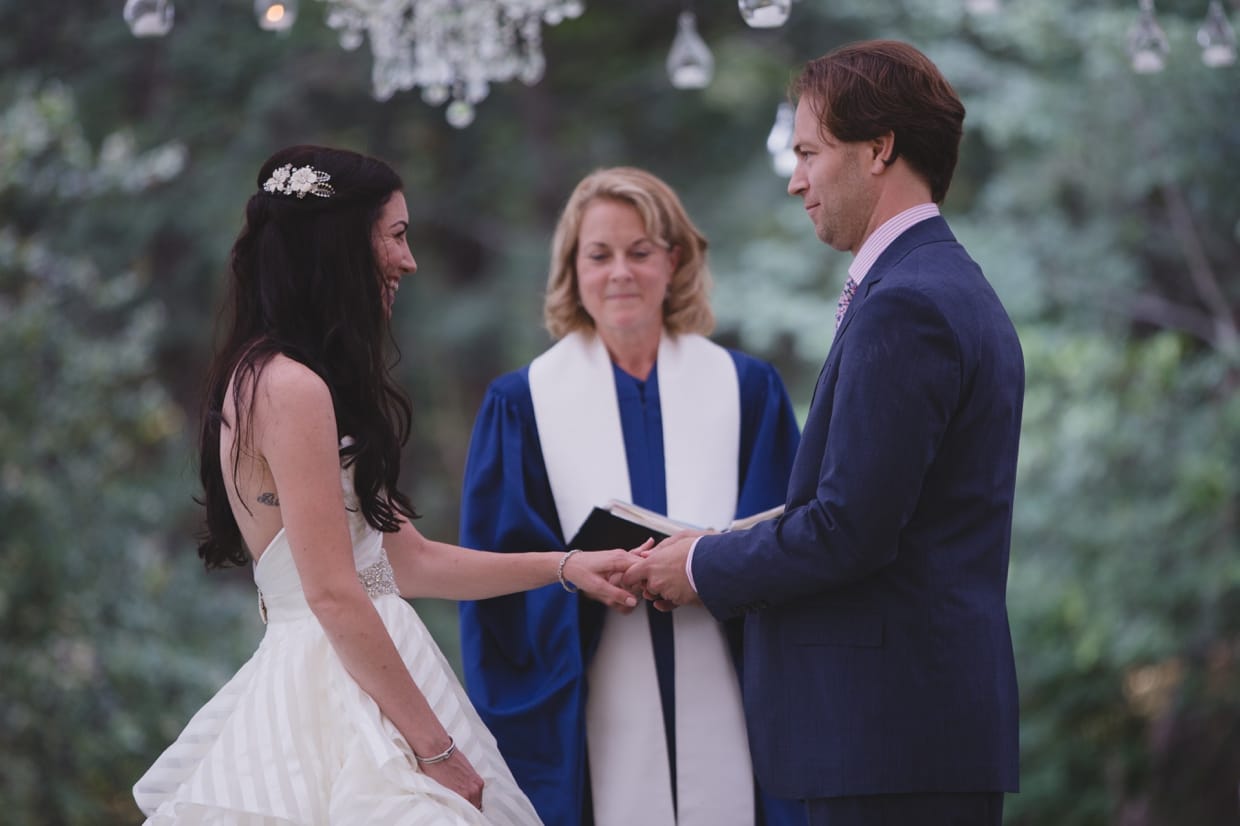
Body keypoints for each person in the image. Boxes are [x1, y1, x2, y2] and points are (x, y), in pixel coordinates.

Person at [132, 145, 641, 826]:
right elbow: (335, 594)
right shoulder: (288, 385)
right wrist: (434, 753)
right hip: (335, 694)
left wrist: (567, 566)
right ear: (341, 245)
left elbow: (408, 561)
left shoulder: (296, 379)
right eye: (397, 236)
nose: (410, 260)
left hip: (377, 664)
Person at [627, 40, 1024, 826]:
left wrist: (701, 565)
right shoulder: (944, 285)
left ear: (879, 149)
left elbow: (850, 530)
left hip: (891, 740)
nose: (796, 178)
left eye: (810, 151)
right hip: (915, 735)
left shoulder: (905, 304)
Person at [457, 167, 804, 826]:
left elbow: (789, 541)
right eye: (599, 254)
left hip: (728, 681)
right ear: (572, 268)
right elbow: (499, 587)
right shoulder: (522, 405)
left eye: (640, 251)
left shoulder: (747, 390)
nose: (620, 271)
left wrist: (710, 569)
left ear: (674, 261)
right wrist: (582, 580)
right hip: (595, 687)